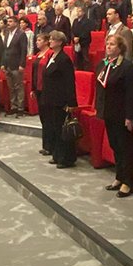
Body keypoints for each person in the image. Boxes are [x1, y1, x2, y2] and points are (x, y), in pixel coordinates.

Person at [95, 35, 133, 198]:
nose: (108, 47)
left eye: (112, 44)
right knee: (115, 145)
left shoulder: (126, 66)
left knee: (124, 147)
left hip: (121, 112)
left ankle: (128, 181)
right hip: (108, 111)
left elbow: (130, 93)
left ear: (120, 48)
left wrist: (130, 115)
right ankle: (119, 177)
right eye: (107, 44)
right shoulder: (103, 64)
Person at [41, 31, 78, 169]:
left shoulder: (64, 59)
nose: (49, 41)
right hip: (50, 99)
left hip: (60, 100)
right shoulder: (52, 56)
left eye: (52, 39)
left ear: (60, 42)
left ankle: (66, 158)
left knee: (62, 129)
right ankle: (57, 155)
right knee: (55, 128)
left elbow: (69, 82)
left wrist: (72, 103)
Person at [30, 33, 55, 155]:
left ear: (46, 42)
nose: (37, 42)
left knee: (48, 118)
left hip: (47, 90)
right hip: (38, 89)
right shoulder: (38, 55)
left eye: (39, 40)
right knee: (43, 118)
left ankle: (50, 145)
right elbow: (33, 73)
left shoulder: (50, 54)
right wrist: (33, 89)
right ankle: (46, 145)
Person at [72, 6, 97, 71]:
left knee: (85, 59)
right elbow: (72, 31)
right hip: (76, 43)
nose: (78, 13)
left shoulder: (88, 21)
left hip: (84, 42)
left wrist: (79, 38)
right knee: (77, 59)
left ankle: (86, 72)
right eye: (77, 11)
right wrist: (74, 37)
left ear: (83, 12)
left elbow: (86, 32)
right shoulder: (75, 21)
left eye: (79, 11)